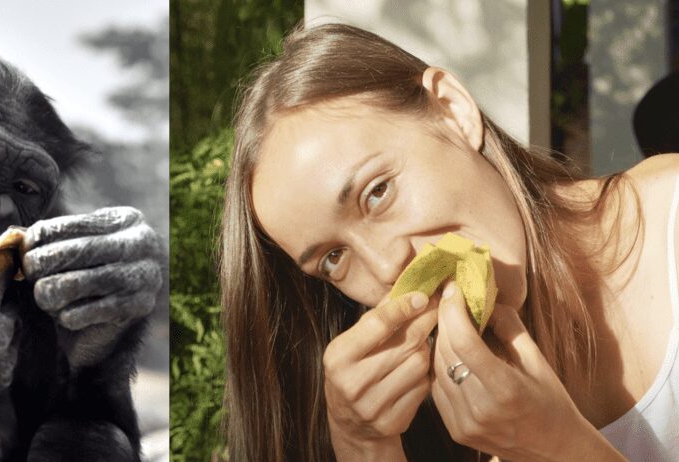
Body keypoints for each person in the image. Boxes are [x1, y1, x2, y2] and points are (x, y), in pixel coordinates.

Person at [220, 23, 679, 461]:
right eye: (334, 258)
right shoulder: (458, 417)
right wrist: (368, 448)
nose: (385, 269)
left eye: (377, 192)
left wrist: (559, 449)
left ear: (453, 111)